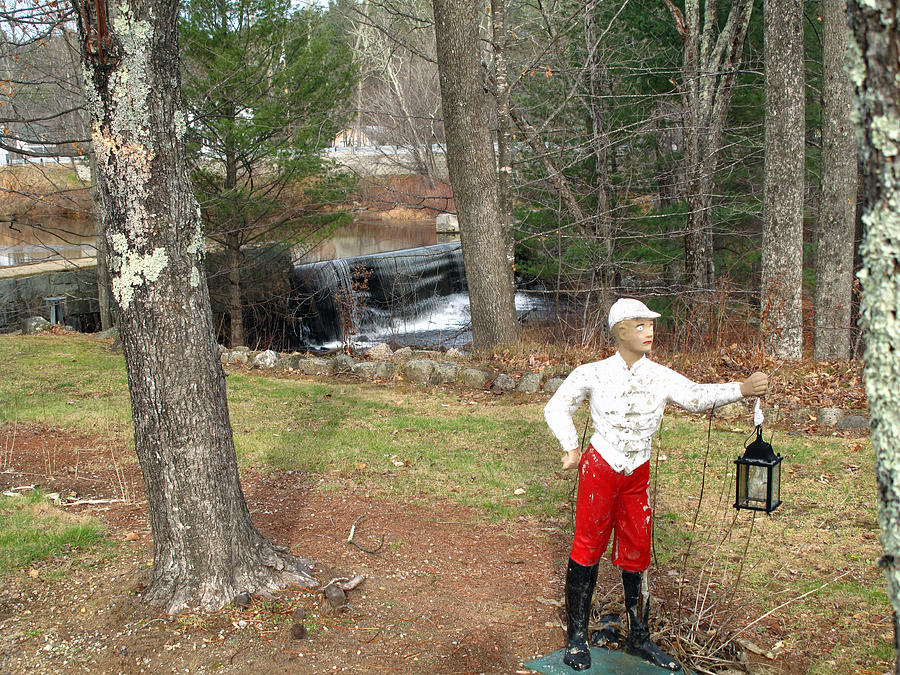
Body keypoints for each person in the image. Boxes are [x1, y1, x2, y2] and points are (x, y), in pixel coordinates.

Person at [544, 297, 768, 672]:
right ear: (620, 332)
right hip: (600, 469)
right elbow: (556, 406)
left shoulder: (660, 376)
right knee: (588, 545)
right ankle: (577, 637)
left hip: (638, 473)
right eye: (640, 326)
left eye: (651, 325)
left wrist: (741, 390)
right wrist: (571, 446)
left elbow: (695, 396)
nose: (649, 332)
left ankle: (639, 636)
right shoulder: (593, 373)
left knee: (637, 549)